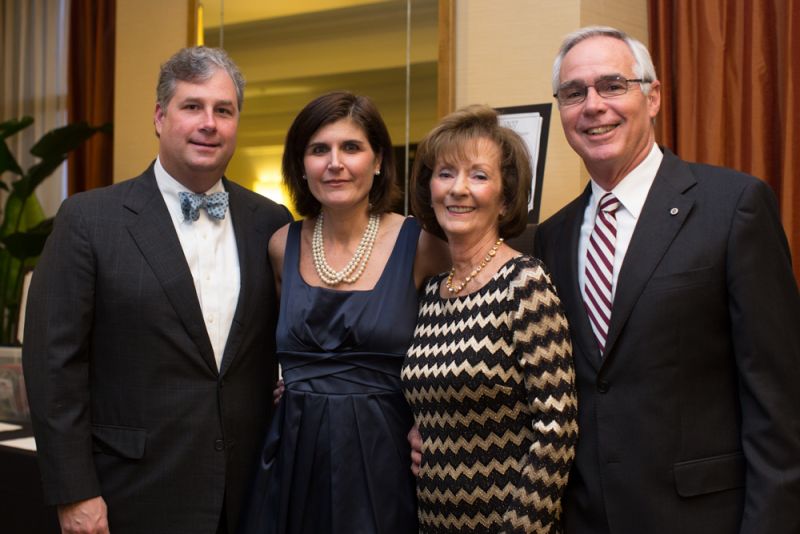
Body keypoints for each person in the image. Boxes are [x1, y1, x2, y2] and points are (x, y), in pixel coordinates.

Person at [534, 26, 800, 533]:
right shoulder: (552, 237)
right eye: (574, 93)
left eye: (613, 85)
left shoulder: (734, 207)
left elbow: (779, 403)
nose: (593, 105)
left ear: (652, 97)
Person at [22, 47, 292, 534]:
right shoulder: (88, 220)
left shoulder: (270, 224)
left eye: (223, 110)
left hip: (250, 493)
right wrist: (75, 492)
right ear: (159, 117)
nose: (209, 123)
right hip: (130, 494)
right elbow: (52, 367)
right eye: (192, 106)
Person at [238, 91, 448, 534]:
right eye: (319, 150)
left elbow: (456, 340)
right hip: (292, 453)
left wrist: (438, 422)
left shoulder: (423, 244)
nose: (335, 162)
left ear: (377, 162)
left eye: (351, 147)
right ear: (301, 166)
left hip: (385, 455)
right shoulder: (281, 245)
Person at [401, 104, 579, 533]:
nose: (458, 189)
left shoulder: (525, 282)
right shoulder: (433, 291)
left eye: (478, 176)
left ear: (505, 198)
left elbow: (557, 427)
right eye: (445, 173)